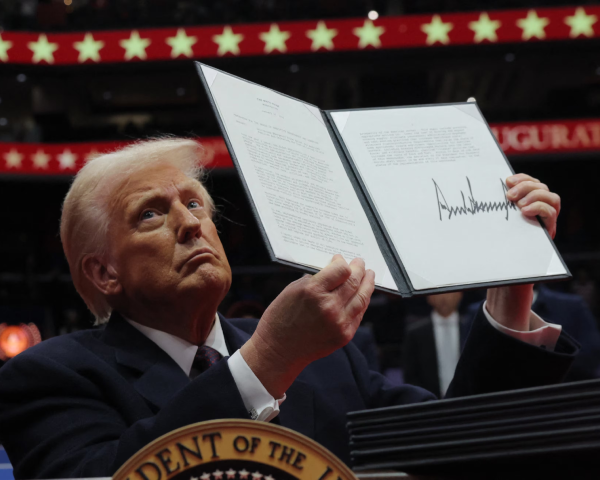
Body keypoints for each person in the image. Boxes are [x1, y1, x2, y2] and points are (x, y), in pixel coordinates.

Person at [0, 139, 577, 479]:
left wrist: (510, 297)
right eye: (151, 214)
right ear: (103, 273)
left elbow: (458, 452)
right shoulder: (48, 377)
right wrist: (269, 359)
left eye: (196, 202)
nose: (191, 222)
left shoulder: (327, 360)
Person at [403, 292, 470, 398]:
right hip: (430, 404)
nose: (444, 297)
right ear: (429, 297)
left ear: (460, 294)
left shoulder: (470, 329)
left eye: (449, 292)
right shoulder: (416, 334)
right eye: (438, 292)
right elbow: (410, 377)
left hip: (468, 401)